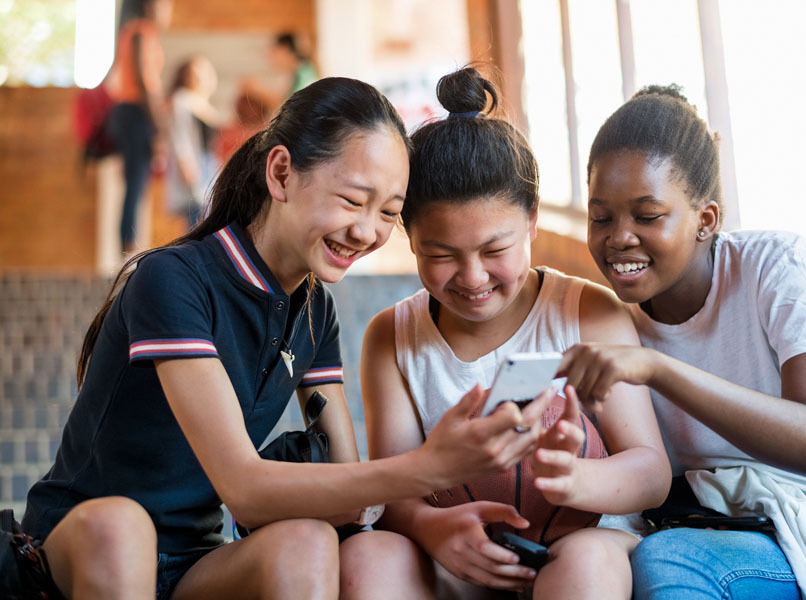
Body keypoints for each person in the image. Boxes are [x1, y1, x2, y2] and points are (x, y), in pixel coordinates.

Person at [19, 77, 553, 600]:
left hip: (192, 564)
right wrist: (429, 465)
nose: (367, 231)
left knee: (308, 542)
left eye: (389, 213)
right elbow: (245, 490)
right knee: (122, 527)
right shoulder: (175, 280)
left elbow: (351, 490)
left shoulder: (316, 310)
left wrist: (451, 508)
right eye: (352, 200)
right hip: (82, 546)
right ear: (281, 174)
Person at [564, 84, 806, 600]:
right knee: (667, 565)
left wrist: (658, 368)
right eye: (601, 217)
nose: (618, 238)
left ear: (706, 220)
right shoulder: (610, 326)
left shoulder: (780, 265)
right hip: (767, 515)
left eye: (647, 215)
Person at [351, 67, 671, 600]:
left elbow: (651, 470)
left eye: (495, 251)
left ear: (532, 223)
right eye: (441, 255)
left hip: (580, 542)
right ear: (409, 239)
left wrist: (573, 479)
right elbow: (396, 488)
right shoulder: (392, 337)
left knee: (587, 563)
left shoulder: (587, 314)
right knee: (368, 556)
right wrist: (432, 527)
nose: (473, 277)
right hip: (455, 548)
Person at [106, 0, 173, 254]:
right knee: (135, 184)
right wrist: (159, 126)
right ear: (149, 5)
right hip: (135, 113)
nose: (168, 10)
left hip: (130, 113)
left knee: (136, 184)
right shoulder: (140, 31)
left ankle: (128, 248)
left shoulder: (136, 31)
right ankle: (126, 251)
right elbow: (145, 82)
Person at [166, 55, 224, 227]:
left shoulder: (203, 104)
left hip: (209, 166)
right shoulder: (182, 100)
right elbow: (180, 136)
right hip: (195, 167)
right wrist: (186, 164)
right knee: (197, 220)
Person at [242, 32, 320, 115]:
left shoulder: (304, 74)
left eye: (274, 51)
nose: (270, 57)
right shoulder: (295, 73)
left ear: (285, 50)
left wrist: (259, 92)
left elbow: (292, 110)